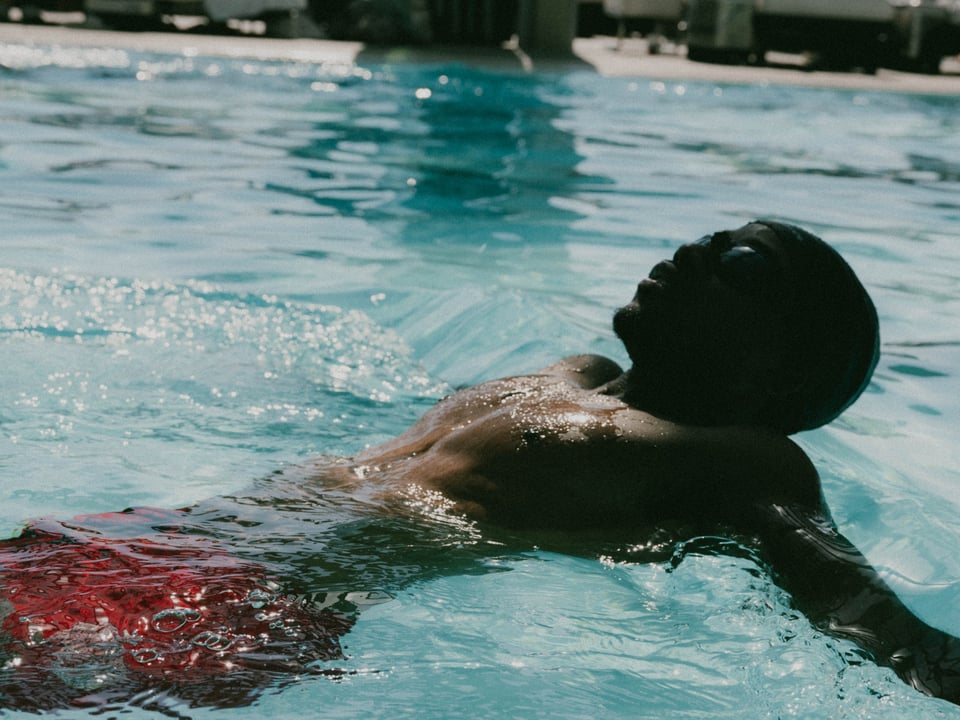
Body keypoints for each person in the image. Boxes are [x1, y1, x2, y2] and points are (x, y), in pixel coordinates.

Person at [2, 221, 958, 709]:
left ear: (777, 369)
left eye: (742, 264)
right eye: (710, 236)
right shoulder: (573, 373)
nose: (694, 250)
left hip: (248, 601)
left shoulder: (746, 462)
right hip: (159, 538)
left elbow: (864, 615)